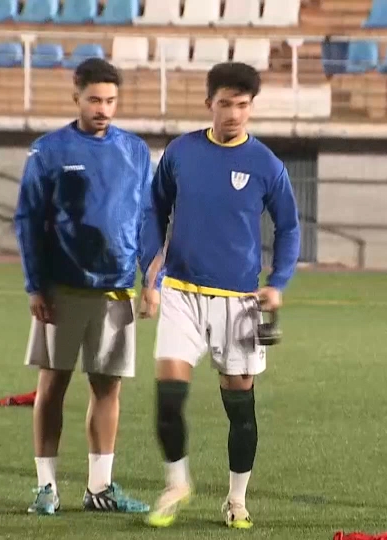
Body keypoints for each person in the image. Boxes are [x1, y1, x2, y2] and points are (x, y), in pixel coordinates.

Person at [136, 61, 301, 529]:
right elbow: (155, 207)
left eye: (242, 104)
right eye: (225, 103)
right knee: (168, 398)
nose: (233, 113)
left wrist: (278, 281)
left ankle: (235, 500)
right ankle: (176, 484)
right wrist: (151, 265)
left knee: (240, 407)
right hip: (181, 294)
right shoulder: (181, 152)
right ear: (209, 103)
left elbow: (288, 227)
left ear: (251, 107)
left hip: (240, 301)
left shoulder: (267, 165)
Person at [13, 57, 152, 516]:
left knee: (107, 389)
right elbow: (28, 220)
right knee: (52, 387)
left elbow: (147, 221)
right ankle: (46, 487)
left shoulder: (135, 151)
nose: (103, 108)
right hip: (62, 290)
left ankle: (100, 488)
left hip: (116, 291)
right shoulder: (49, 150)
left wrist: (150, 279)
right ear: (76, 98)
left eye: (111, 100)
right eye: (94, 99)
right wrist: (35, 285)